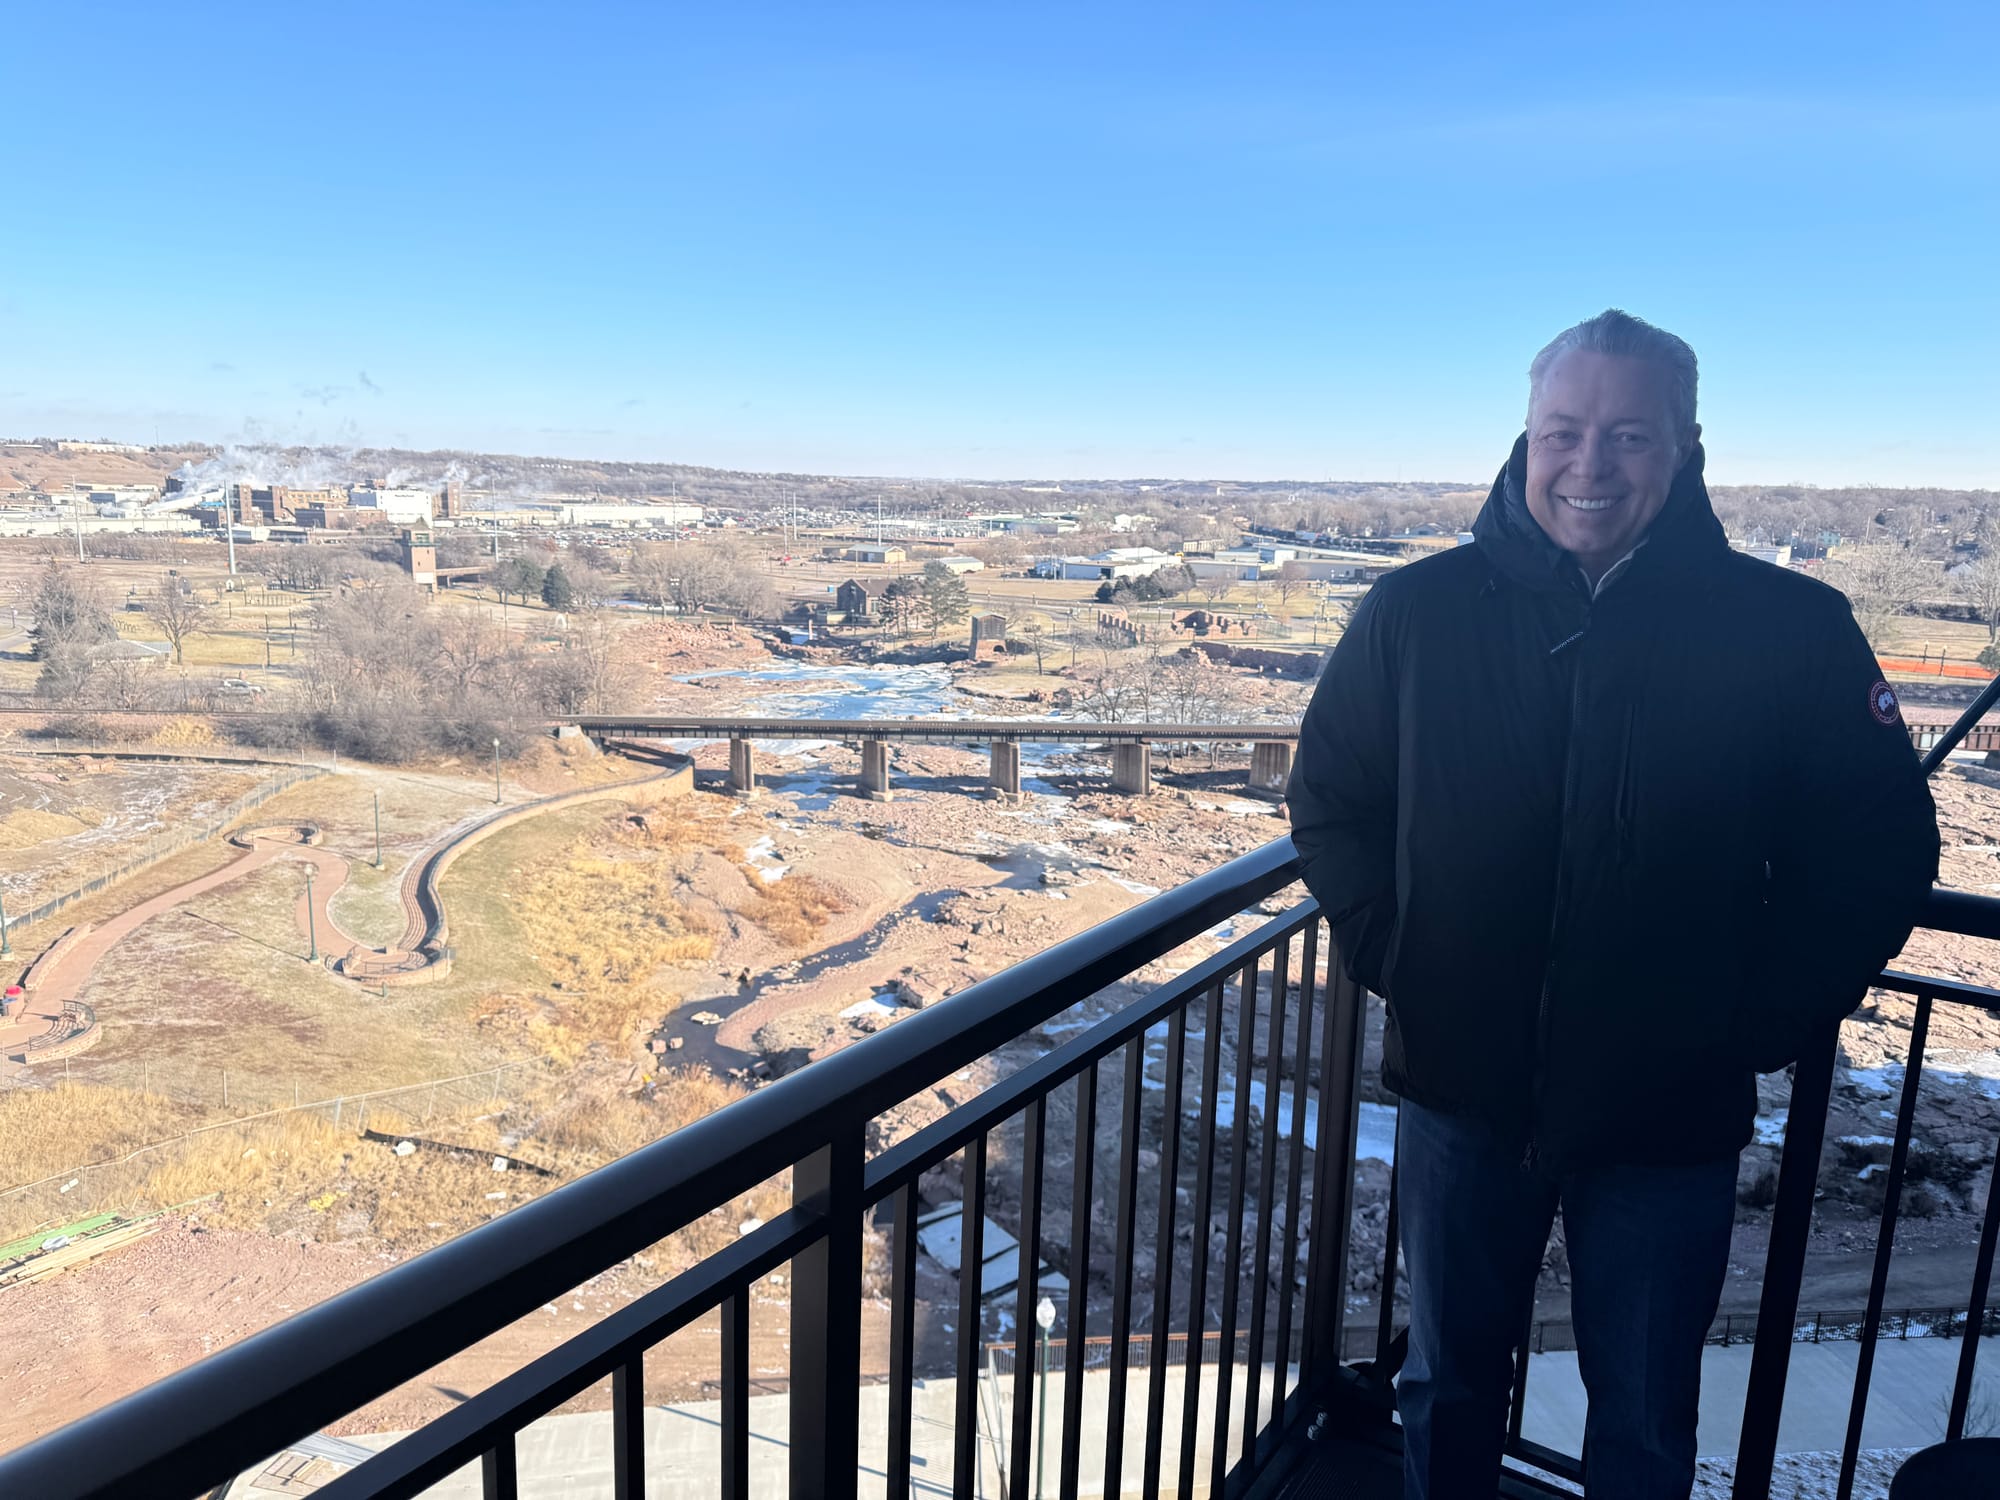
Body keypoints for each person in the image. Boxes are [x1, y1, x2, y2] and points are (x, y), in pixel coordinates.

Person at [1286, 309, 1940, 1499]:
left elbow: (1874, 851)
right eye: (1564, 431)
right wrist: (1403, 952)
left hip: (1665, 1111)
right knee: (1443, 1388)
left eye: (1627, 436)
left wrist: (1752, 1020)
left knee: (1641, 1415)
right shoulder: (1413, 614)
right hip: (1459, 1089)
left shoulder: (1788, 631)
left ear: (1685, 448)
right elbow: (1331, 802)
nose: (1588, 465)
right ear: (1525, 438)